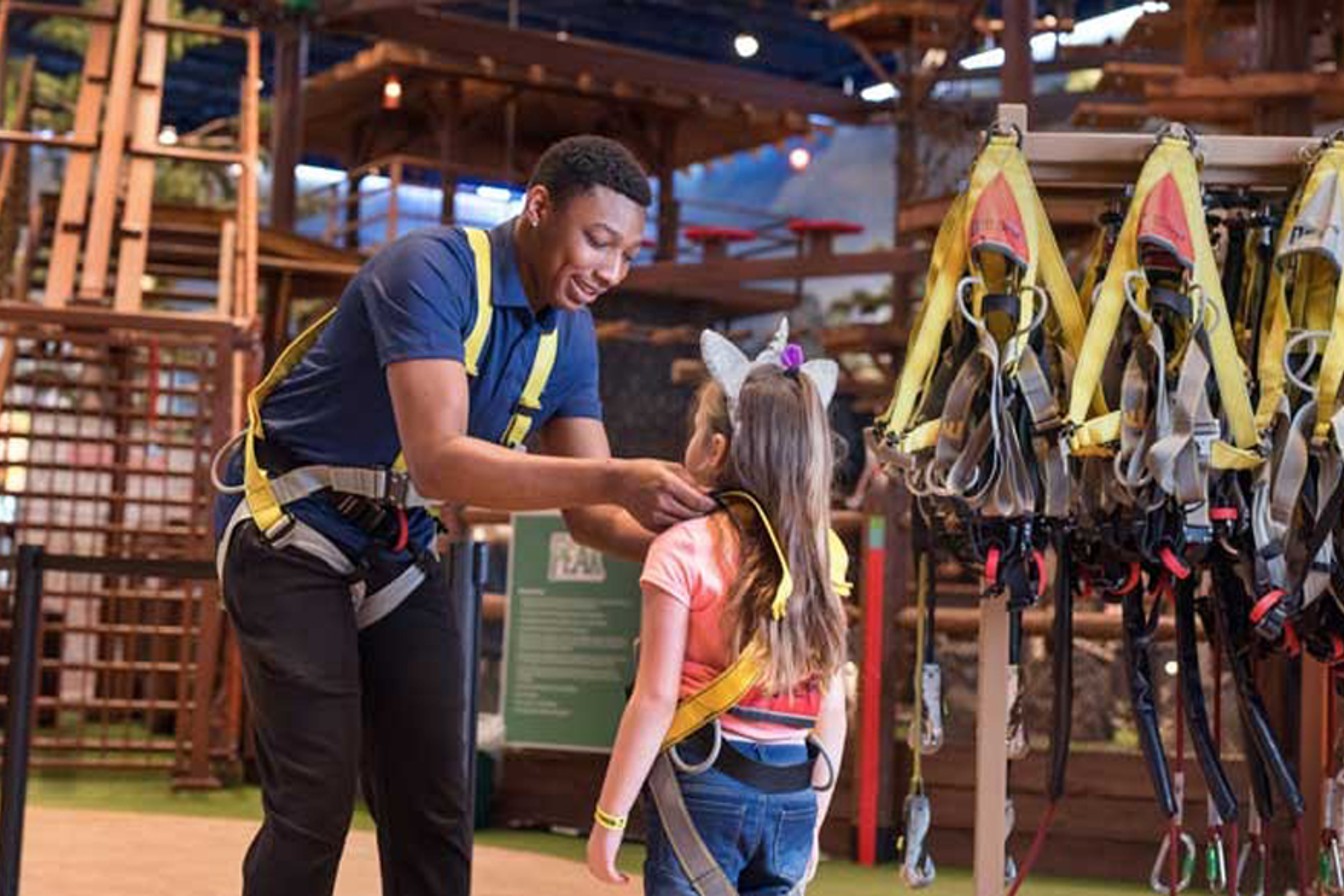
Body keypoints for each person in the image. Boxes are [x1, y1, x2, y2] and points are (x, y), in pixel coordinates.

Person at [213, 135, 716, 896]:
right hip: (291, 528)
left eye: (627, 255)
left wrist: (715, 545)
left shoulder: (571, 335)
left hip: (397, 549)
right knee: (315, 798)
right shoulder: (429, 271)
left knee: (434, 803)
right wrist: (619, 477)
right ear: (539, 207)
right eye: (598, 242)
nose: (611, 272)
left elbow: (589, 517)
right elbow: (440, 462)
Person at [585, 322, 850, 894]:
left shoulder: (682, 548)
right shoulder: (825, 556)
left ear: (715, 449)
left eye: (696, 430)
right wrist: (816, 825)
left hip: (704, 783)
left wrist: (609, 819)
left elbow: (655, 700)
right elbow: (831, 709)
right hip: (794, 795)